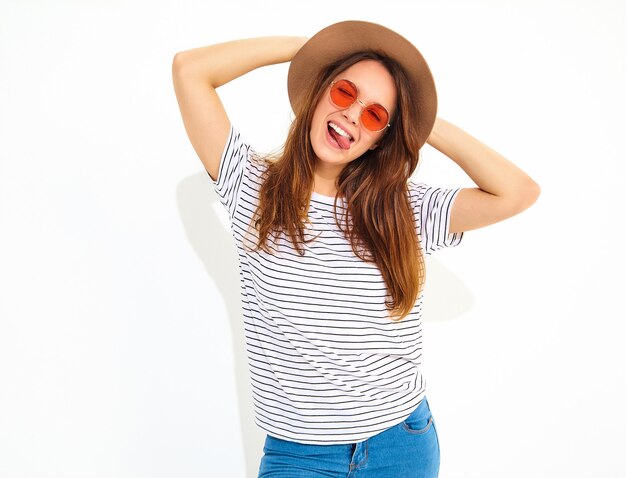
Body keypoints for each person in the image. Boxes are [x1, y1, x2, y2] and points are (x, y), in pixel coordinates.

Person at [172, 20, 540, 478]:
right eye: (345, 92)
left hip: (400, 443)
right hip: (298, 456)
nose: (351, 115)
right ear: (321, 90)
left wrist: (419, 124)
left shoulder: (404, 209)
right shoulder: (252, 186)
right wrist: (308, 51)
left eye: (374, 116)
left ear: (382, 136)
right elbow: (190, 69)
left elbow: (518, 192)